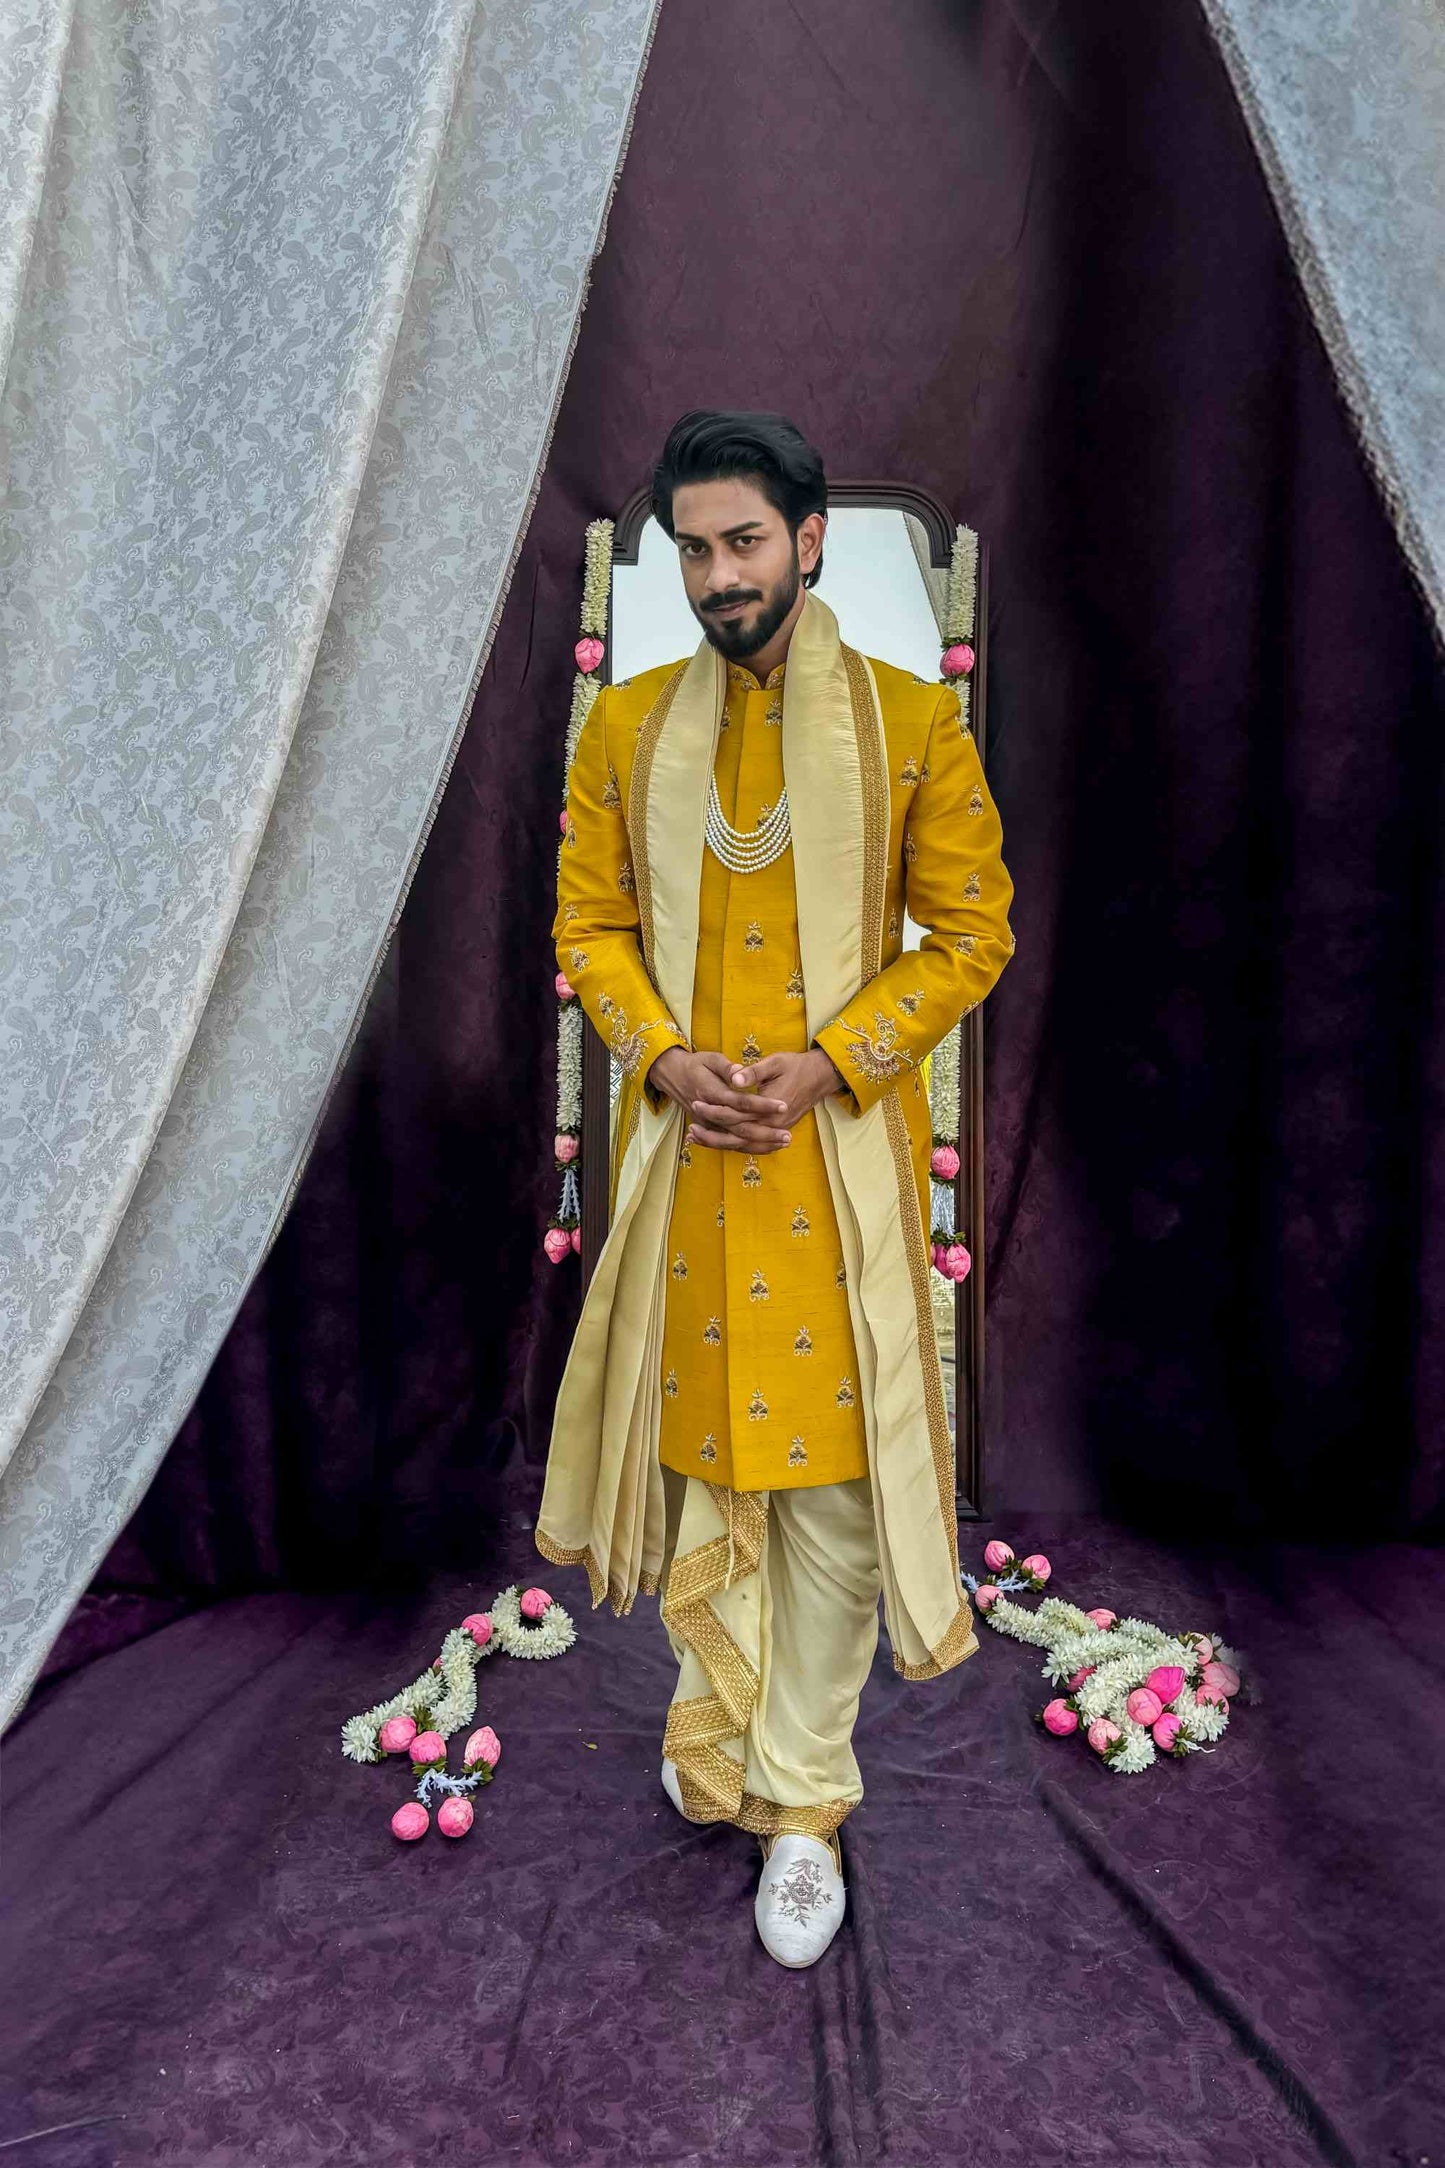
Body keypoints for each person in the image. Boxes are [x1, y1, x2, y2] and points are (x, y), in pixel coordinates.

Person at [536, 410, 1015, 1967]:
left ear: (809, 542)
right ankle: (719, 1739)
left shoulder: (907, 727)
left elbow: (969, 934)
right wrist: (661, 1059)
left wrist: (830, 1062)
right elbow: (587, 928)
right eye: (692, 548)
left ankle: (804, 1805)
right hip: (687, 1165)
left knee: (826, 1494)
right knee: (699, 1467)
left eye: (743, 542)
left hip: (826, 1163)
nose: (716, 575)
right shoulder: (625, 733)